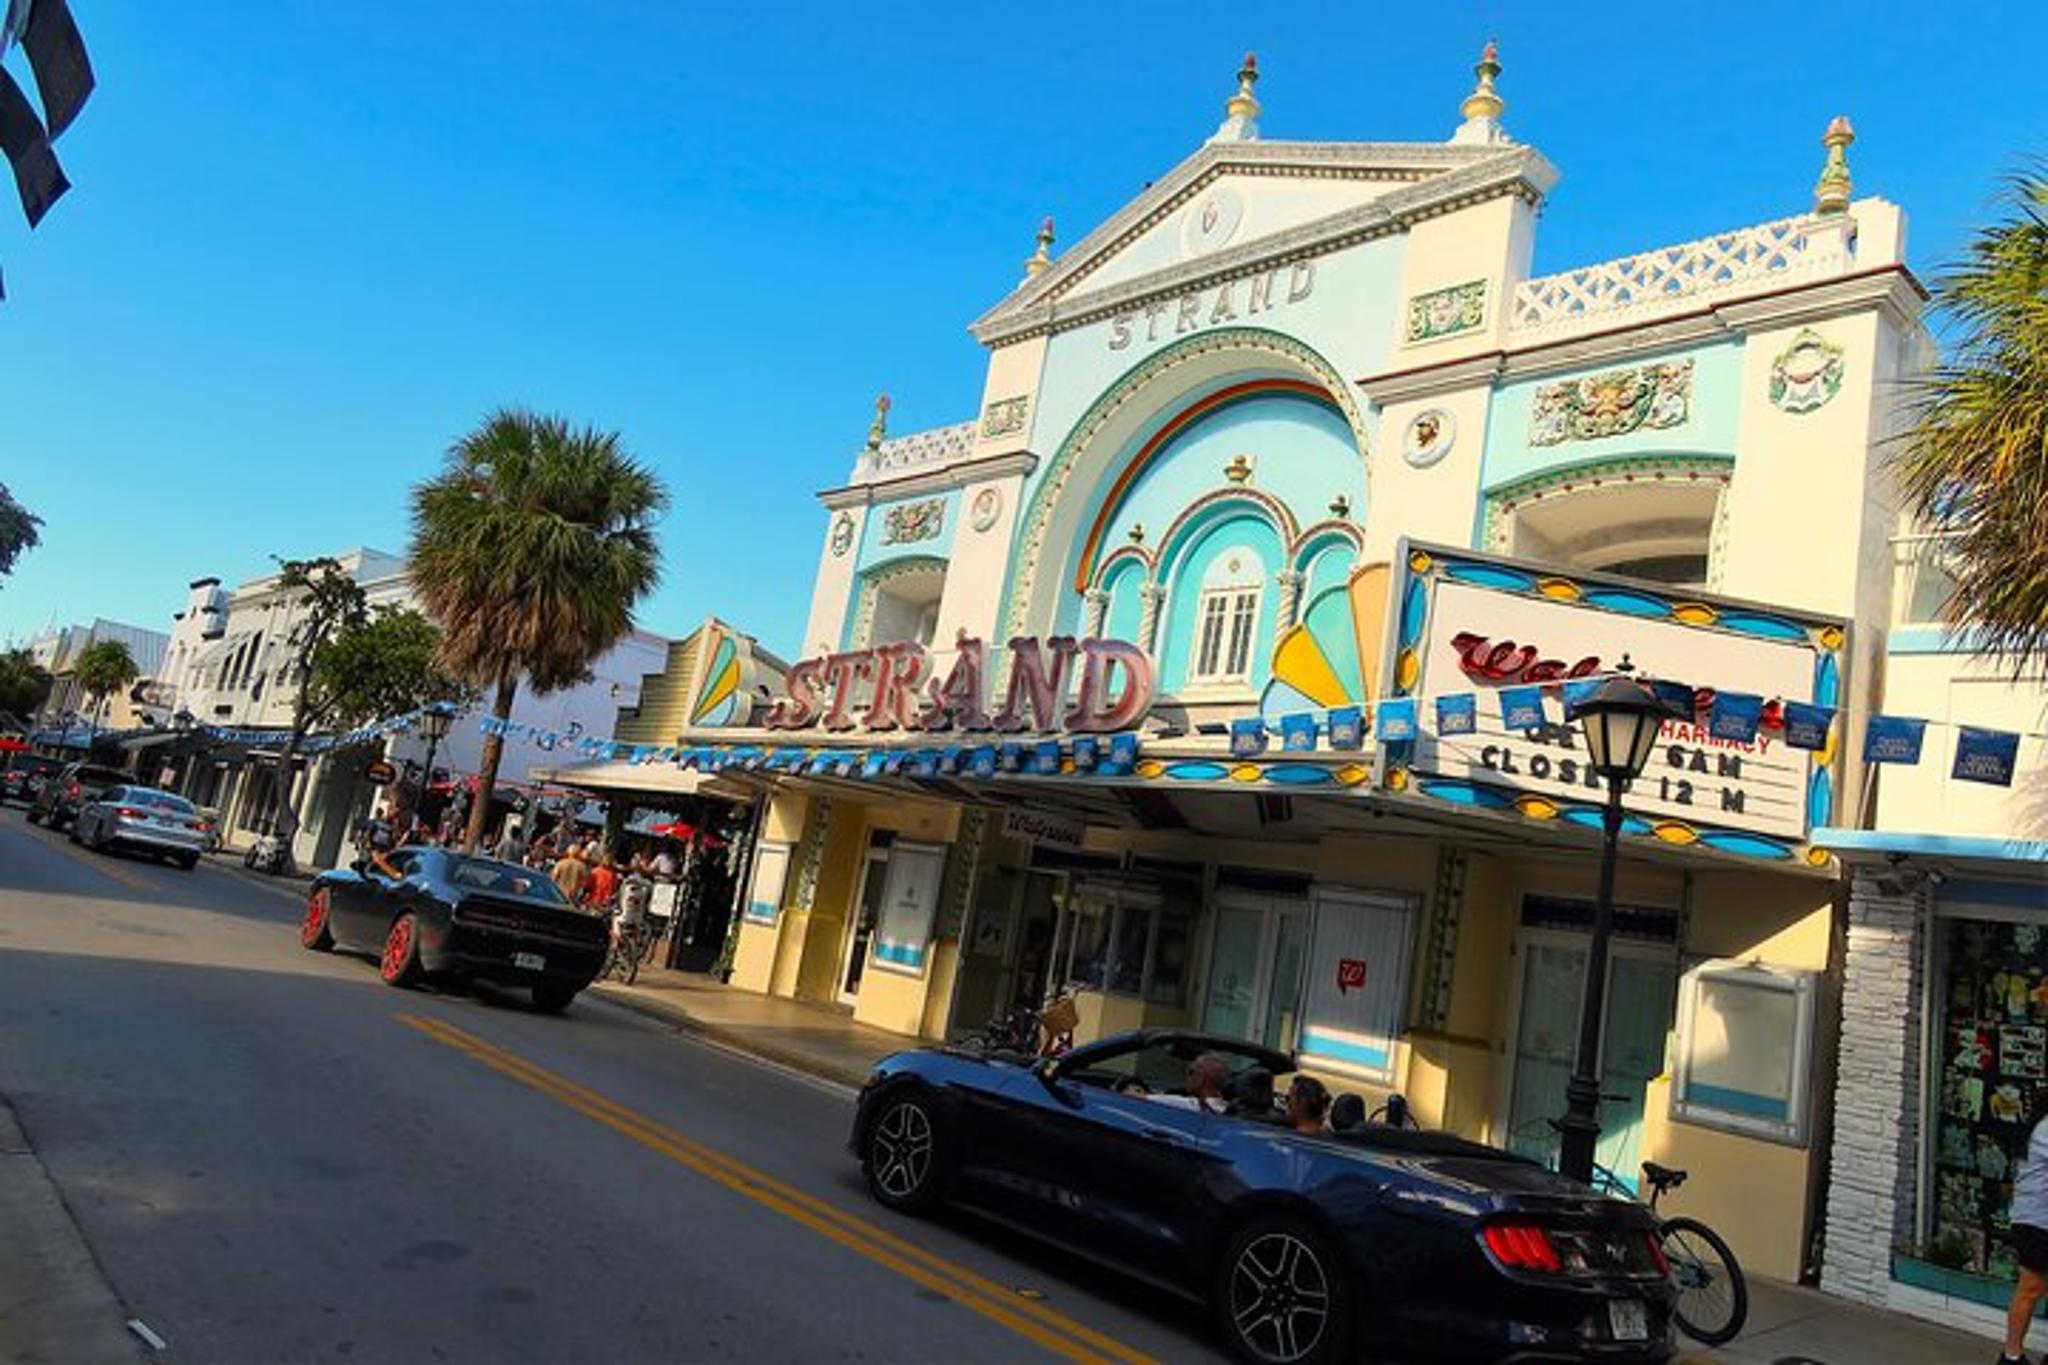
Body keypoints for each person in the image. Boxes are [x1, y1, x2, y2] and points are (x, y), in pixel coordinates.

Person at [2000, 1102, 2048, 1364]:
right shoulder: (2046, 1127)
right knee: (2031, 1287)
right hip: (2037, 1222)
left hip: (2037, 1219)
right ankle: (2011, 1356)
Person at [1150, 1052, 1231, 1113]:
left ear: (1201, 1077)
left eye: (1191, 1072)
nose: (1187, 1077)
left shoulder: (1188, 1106)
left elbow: (1140, 1098)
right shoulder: (1229, 1110)